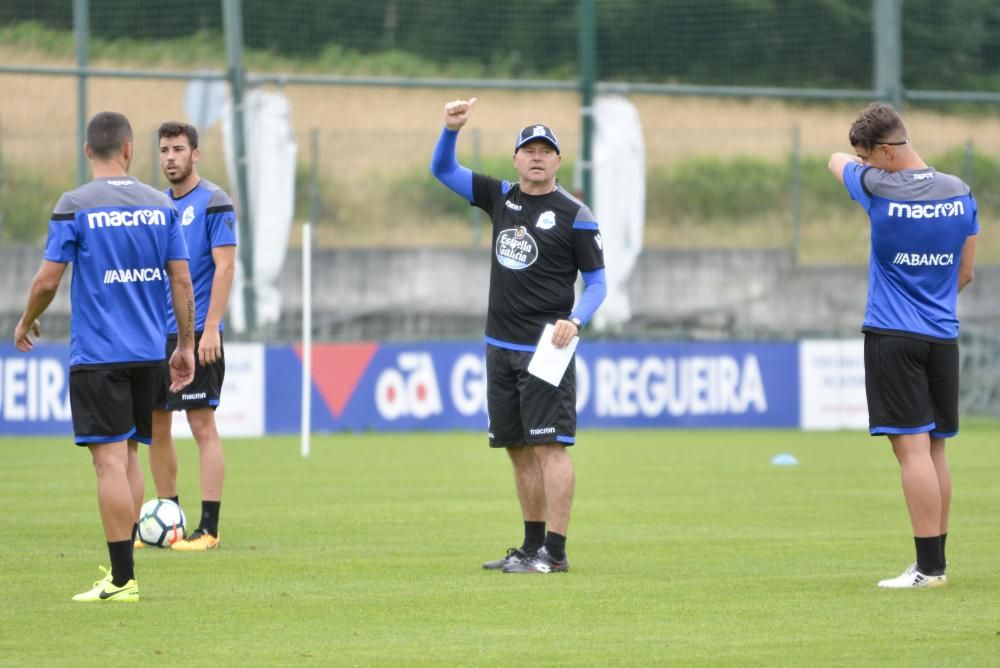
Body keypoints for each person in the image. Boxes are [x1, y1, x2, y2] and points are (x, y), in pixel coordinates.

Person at [13, 111, 195, 602]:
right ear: (131, 150)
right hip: (147, 352)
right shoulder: (161, 206)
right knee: (130, 454)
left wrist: (27, 318)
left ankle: (120, 580)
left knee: (108, 464)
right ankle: (125, 568)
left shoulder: (76, 205)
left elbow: (48, 280)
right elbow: (181, 279)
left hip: (99, 354)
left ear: (88, 151)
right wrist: (184, 344)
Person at [431, 98, 607, 574]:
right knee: (516, 447)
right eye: (527, 149)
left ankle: (556, 551)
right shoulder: (499, 196)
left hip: (548, 348)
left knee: (550, 446)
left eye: (545, 150)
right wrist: (451, 129)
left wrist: (577, 319)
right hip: (499, 346)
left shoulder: (575, 213)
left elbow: (597, 283)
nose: (536, 156)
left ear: (557, 160)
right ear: (515, 159)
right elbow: (442, 169)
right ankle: (531, 548)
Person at [828, 102, 978, 589]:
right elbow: (967, 272)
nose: (863, 164)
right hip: (942, 336)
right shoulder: (960, 192)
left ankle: (928, 570)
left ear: (887, 152)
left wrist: (859, 165)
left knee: (910, 453)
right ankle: (938, 562)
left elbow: (834, 161)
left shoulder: (877, 187)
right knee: (935, 452)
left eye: (868, 155)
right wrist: (931, 302)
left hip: (893, 336)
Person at [141, 121, 237, 552]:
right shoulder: (155, 205)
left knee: (202, 425)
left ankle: (210, 529)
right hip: (154, 334)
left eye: (178, 149)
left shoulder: (215, 202)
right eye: (164, 150)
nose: (170, 158)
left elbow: (226, 267)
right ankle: (170, 519)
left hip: (197, 332)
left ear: (195, 154)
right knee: (157, 427)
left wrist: (211, 326)